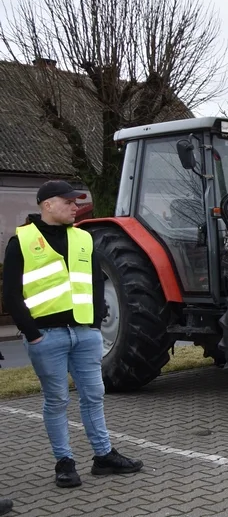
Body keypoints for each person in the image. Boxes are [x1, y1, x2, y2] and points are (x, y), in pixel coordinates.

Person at [1, 181, 143, 488]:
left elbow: (94, 282)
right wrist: (33, 334)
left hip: (84, 334)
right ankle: (64, 464)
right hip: (46, 336)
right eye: (68, 202)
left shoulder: (84, 238)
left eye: (75, 202)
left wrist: (93, 326)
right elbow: (11, 295)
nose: (75, 207)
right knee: (56, 400)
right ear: (47, 205)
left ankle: (103, 456)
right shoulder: (22, 241)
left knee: (94, 396)